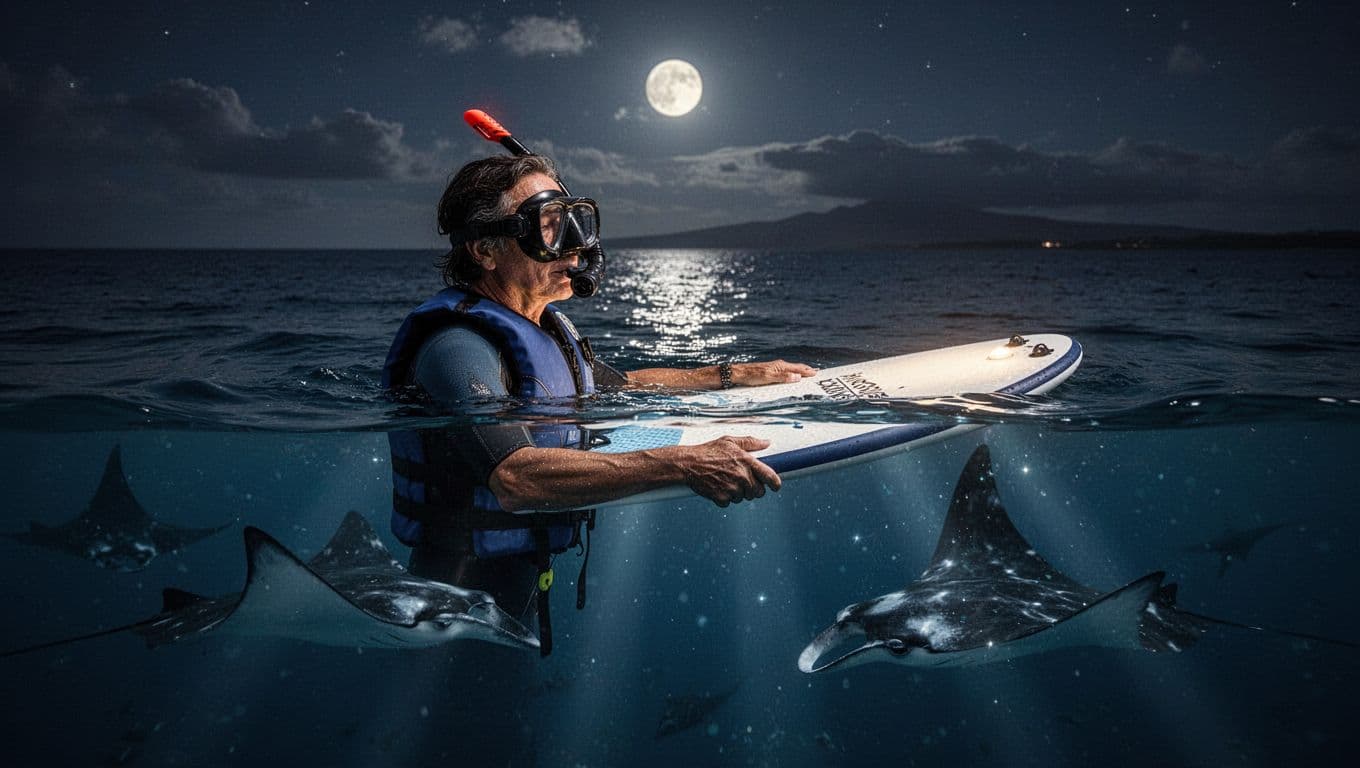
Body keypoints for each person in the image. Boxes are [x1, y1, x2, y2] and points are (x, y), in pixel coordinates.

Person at [382, 154, 815, 653]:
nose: (574, 246)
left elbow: (622, 384)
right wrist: (685, 463)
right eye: (549, 227)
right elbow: (517, 478)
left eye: (575, 221)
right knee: (463, 720)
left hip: (516, 587)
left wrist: (733, 374)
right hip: (450, 607)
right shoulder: (457, 347)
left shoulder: (544, 328)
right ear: (486, 250)